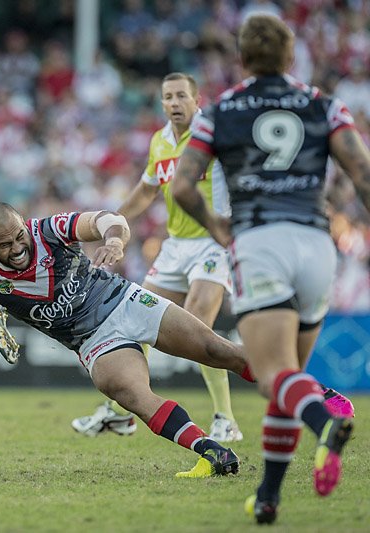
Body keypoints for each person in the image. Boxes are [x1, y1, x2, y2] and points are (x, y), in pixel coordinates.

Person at [0, 202, 258, 479]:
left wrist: (115, 239)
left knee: (215, 350)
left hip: (124, 301)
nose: (18, 248)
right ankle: (210, 451)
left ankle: (314, 395)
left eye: (19, 236)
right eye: (5, 245)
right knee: (130, 394)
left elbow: (107, 219)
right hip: (92, 341)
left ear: (26, 226)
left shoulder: (48, 230)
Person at [171, 14, 364, 524]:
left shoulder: (220, 110)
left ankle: (326, 424)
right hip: (317, 244)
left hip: (260, 242)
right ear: (290, 54)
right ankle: (269, 496)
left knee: (274, 376)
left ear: (243, 57)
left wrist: (216, 225)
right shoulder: (325, 104)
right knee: (290, 377)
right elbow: (362, 171)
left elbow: (182, 187)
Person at [74, 72, 243, 443]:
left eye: (182, 96)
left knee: (198, 324)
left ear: (197, 100)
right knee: (134, 319)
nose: (174, 103)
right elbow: (146, 191)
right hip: (175, 245)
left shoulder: (214, 134)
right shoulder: (160, 142)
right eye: (168, 97)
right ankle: (121, 414)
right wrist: (111, 223)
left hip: (212, 243)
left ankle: (225, 418)